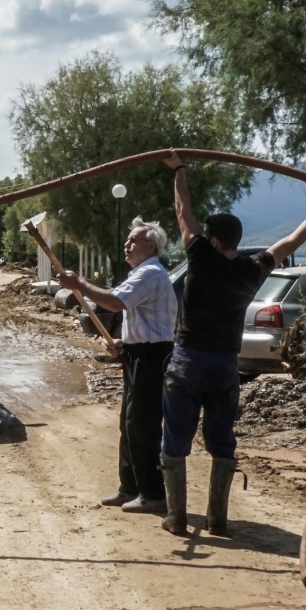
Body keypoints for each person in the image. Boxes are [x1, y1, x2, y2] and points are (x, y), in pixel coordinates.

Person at [160, 152, 306, 536]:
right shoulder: (254, 269)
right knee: (221, 439)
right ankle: (217, 519)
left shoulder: (198, 258)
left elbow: (183, 211)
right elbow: (295, 238)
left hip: (188, 361)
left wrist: (179, 170)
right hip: (226, 365)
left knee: (176, 436)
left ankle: (177, 518)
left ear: (211, 240)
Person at [57, 218, 177, 514]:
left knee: (142, 426)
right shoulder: (142, 273)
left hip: (153, 358)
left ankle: (153, 493)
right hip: (140, 352)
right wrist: (124, 342)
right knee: (129, 423)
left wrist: (79, 284)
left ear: (151, 246)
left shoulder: (150, 272)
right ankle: (131, 487)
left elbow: (114, 302)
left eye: (133, 240)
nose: (127, 244)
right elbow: (141, 319)